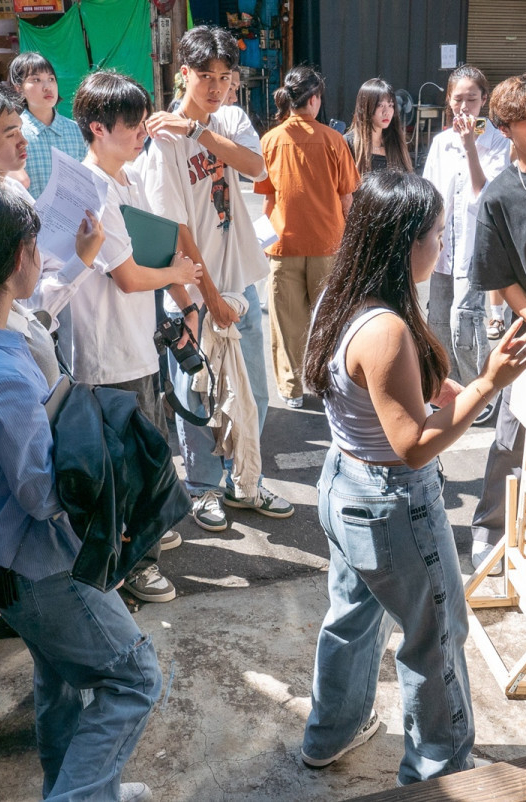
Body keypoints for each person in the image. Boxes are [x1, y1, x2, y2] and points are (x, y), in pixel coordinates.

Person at [0, 179, 160, 802]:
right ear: (18, 256)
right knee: (134, 678)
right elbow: (42, 494)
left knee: (60, 680)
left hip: (3, 559)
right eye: (35, 242)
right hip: (40, 565)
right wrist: (105, 456)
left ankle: (82, 788)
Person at [299, 170, 526, 785]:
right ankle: (439, 775)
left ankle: (331, 732)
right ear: (405, 242)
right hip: (391, 504)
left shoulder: (345, 295)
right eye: (435, 233)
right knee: (435, 637)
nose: (442, 245)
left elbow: (384, 398)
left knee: (352, 616)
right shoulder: (386, 329)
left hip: (344, 487)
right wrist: (489, 383)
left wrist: (441, 386)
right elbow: (412, 445)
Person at [141, 25, 296, 531]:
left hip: (240, 284)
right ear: (182, 73)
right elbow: (175, 229)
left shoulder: (229, 118)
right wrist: (204, 298)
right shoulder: (163, 138)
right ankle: (203, 488)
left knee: (253, 392)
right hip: (192, 292)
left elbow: (256, 168)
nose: (214, 86)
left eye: (224, 77)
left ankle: (243, 479)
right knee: (198, 396)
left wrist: (201, 133)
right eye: (204, 75)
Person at [68, 69, 202, 603]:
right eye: (133, 124)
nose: (142, 131)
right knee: (127, 470)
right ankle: (130, 567)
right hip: (109, 357)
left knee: (144, 461)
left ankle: (138, 549)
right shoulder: (94, 189)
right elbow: (126, 275)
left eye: (144, 120)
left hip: (133, 346)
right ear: (98, 128)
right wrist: (178, 277)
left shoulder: (121, 178)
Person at [467, 72, 526, 575]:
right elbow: (498, 276)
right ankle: (490, 529)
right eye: (522, 119)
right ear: (503, 127)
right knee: (510, 436)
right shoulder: (499, 194)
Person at [0, 79, 98, 335]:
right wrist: (81, 261)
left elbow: (46, 259)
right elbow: (23, 306)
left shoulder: (10, 189)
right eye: (11, 134)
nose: (24, 141)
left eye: (21, 130)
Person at [253, 66, 359, 409]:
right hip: (328, 242)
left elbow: (268, 199)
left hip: (284, 244)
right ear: (314, 100)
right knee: (328, 318)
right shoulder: (333, 140)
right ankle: (326, 380)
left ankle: (291, 387)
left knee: (287, 322)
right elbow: (347, 199)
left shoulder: (270, 140)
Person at [421, 64, 511, 408]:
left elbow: (484, 194)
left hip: (476, 249)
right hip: (441, 249)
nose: (464, 107)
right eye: (457, 99)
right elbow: (430, 193)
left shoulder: (497, 142)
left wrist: (471, 145)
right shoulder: (441, 142)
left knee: (466, 321)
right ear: (448, 100)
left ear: (484, 100)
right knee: (439, 321)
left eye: (472, 99)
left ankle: (480, 395)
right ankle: (449, 391)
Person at [11, 51, 88, 200]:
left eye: (51, 79)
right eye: (36, 80)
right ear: (18, 88)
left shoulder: (77, 131)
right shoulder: (15, 135)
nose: (47, 86)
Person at [344, 78, 412, 175]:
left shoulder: (396, 142)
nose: (386, 112)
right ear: (366, 107)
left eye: (390, 105)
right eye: (380, 105)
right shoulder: (348, 144)